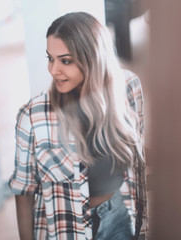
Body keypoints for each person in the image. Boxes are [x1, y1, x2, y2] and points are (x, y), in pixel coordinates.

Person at [9, 12, 147, 240]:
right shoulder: (33, 117)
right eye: (50, 58)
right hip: (67, 230)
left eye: (65, 61)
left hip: (121, 217)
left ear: (92, 58)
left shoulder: (130, 87)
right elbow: (24, 192)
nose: (53, 70)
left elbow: (138, 159)